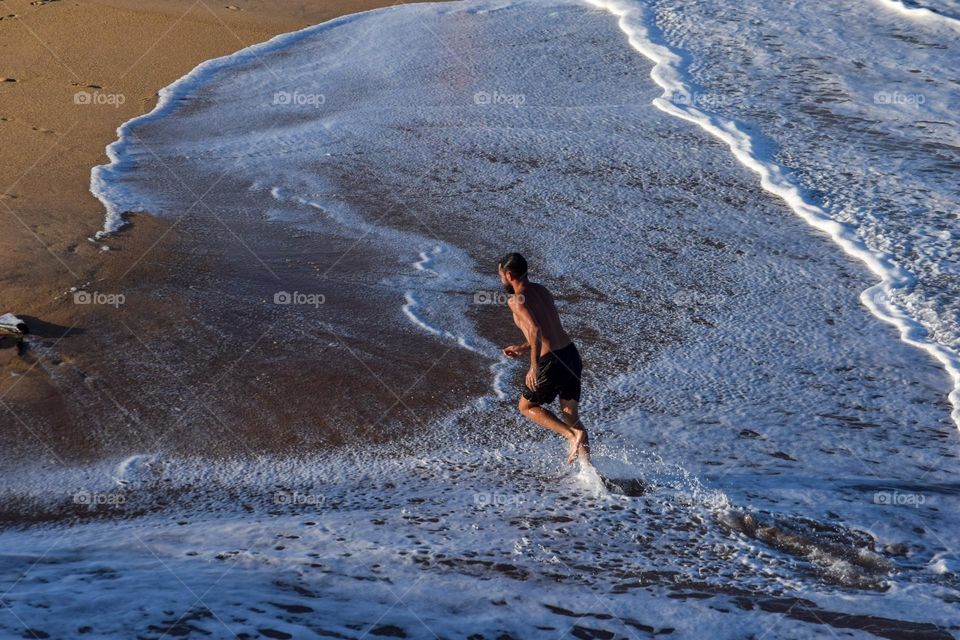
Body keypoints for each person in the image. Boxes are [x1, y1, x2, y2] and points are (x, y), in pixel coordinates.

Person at [498, 253, 590, 464]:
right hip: (570, 354)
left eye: (501, 275)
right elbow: (548, 329)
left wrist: (534, 367)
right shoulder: (542, 290)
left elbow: (536, 329)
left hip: (552, 362)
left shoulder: (516, 299)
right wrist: (522, 347)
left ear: (509, 275)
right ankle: (590, 474)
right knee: (570, 414)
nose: (501, 279)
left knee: (526, 407)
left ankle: (571, 435)